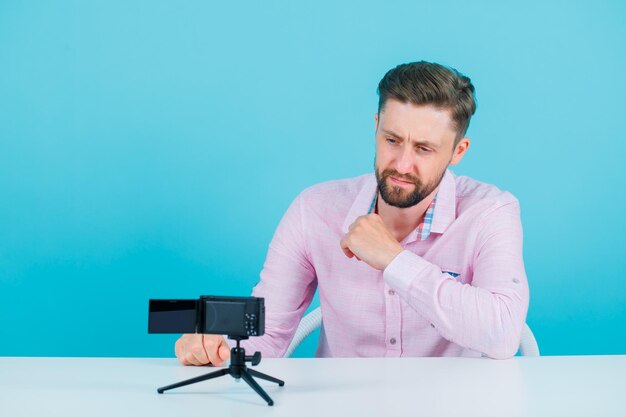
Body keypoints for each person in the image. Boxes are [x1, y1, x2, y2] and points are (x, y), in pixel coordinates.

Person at [175, 61, 529, 365]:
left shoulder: (490, 213)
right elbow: (267, 338)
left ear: (457, 151)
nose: (402, 164)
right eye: (392, 140)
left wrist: (393, 259)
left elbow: (503, 333)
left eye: (423, 148)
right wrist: (216, 347)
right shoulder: (315, 210)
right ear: (376, 126)